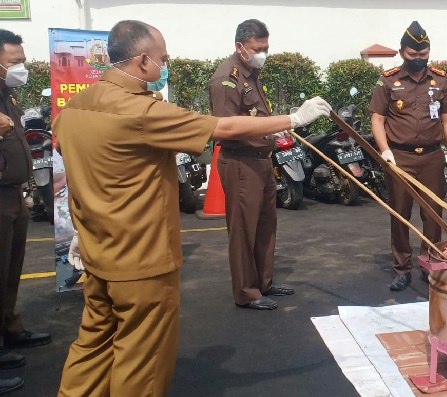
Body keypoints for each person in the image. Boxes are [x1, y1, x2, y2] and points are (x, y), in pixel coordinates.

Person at [53, 20, 330, 396]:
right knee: (142, 358)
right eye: (163, 56)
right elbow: (222, 128)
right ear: (143, 60)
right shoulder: (141, 112)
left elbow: (76, 162)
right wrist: (294, 119)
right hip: (140, 259)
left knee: (93, 344)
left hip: (95, 249)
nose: (166, 61)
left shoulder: (75, 106)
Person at [209, 19, 295, 311]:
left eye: (265, 48)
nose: (263, 54)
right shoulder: (226, 79)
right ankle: (247, 292)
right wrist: (267, 130)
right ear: (240, 47)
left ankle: (263, 282)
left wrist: (272, 130)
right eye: (257, 49)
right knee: (244, 232)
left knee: (265, 226)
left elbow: (256, 117)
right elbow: (226, 127)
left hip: (261, 160)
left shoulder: (251, 73)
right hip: (241, 162)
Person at [369, 21, 447, 291]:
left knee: (433, 215)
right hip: (400, 157)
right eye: (413, 54)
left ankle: (429, 263)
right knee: (400, 214)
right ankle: (402, 268)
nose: (418, 58)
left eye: (423, 53)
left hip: (432, 158)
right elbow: (377, 119)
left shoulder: (440, 80)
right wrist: (385, 151)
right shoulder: (389, 80)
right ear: (402, 52)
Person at [0, 29, 53, 396]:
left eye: (22, 60)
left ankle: (9, 328)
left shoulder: (7, 94)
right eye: (14, 62)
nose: (21, 67)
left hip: (13, 193)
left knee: (10, 268)